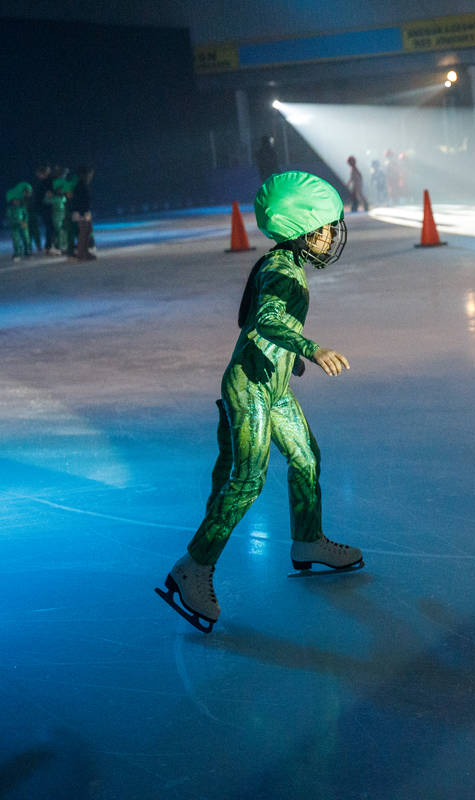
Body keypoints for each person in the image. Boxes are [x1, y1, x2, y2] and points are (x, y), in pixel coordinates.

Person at [156, 171, 363, 634]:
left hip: (272, 385)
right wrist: (311, 348)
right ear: (300, 228)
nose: (331, 236)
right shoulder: (279, 270)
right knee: (246, 480)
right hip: (250, 388)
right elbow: (265, 322)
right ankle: (193, 567)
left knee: (306, 459)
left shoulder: (283, 265)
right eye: (325, 227)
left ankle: (308, 540)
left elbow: (261, 323)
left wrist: (292, 358)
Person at [69, 165, 95, 261]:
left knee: (87, 231)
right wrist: (82, 212)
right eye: (90, 174)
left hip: (84, 211)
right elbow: (79, 200)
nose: (91, 176)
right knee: (84, 232)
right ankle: (81, 253)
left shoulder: (82, 184)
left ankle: (85, 252)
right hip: (81, 212)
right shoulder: (80, 185)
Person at [6, 183, 34, 261]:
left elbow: (26, 215)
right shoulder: (10, 209)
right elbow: (10, 218)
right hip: (15, 226)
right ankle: (17, 253)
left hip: (23, 226)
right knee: (16, 240)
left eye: (17, 200)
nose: (16, 202)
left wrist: (24, 222)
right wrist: (18, 222)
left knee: (26, 238)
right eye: (15, 200)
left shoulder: (22, 207)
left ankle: (27, 251)